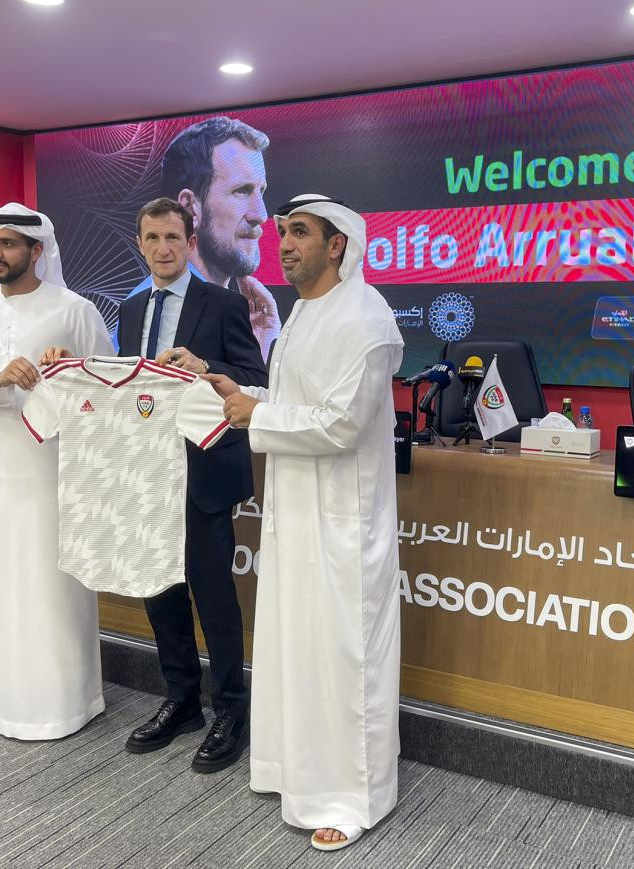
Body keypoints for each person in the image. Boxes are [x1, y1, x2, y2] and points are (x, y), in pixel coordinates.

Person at [206, 194, 404, 850]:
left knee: (344, 655)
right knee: (296, 645)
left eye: (299, 233)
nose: (284, 243)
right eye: (283, 232)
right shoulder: (301, 313)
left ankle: (353, 796)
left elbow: (343, 424)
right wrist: (236, 392)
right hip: (293, 514)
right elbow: (295, 403)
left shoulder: (366, 316)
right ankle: (293, 769)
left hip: (342, 525)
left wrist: (256, 417)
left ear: (337, 243)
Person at [47, 197, 266, 771]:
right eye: (152, 238)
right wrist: (76, 368)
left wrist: (204, 368)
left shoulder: (223, 303)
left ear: (190, 242)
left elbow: (253, 379)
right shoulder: (132, 304)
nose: (163, 249)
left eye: (173, 238)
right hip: (144, 473)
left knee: (213, 594)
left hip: (201, 472)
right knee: (157, 588)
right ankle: (181, 699)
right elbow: (127, 386)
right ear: (140, 243)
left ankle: (232, 711)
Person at [0, 202, 113, 739]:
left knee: (47, 583)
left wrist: (68, 370)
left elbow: (106, 382)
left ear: (38, 251)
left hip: (48, 471)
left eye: (9, 243)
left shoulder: (74, 309)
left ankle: (61, 701)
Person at [159, 116, 280, 359]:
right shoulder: (157, 309)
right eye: (242, 191)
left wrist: (259, 352)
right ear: (190, 208)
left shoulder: (235, 312)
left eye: (261, 191)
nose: (262, 215)